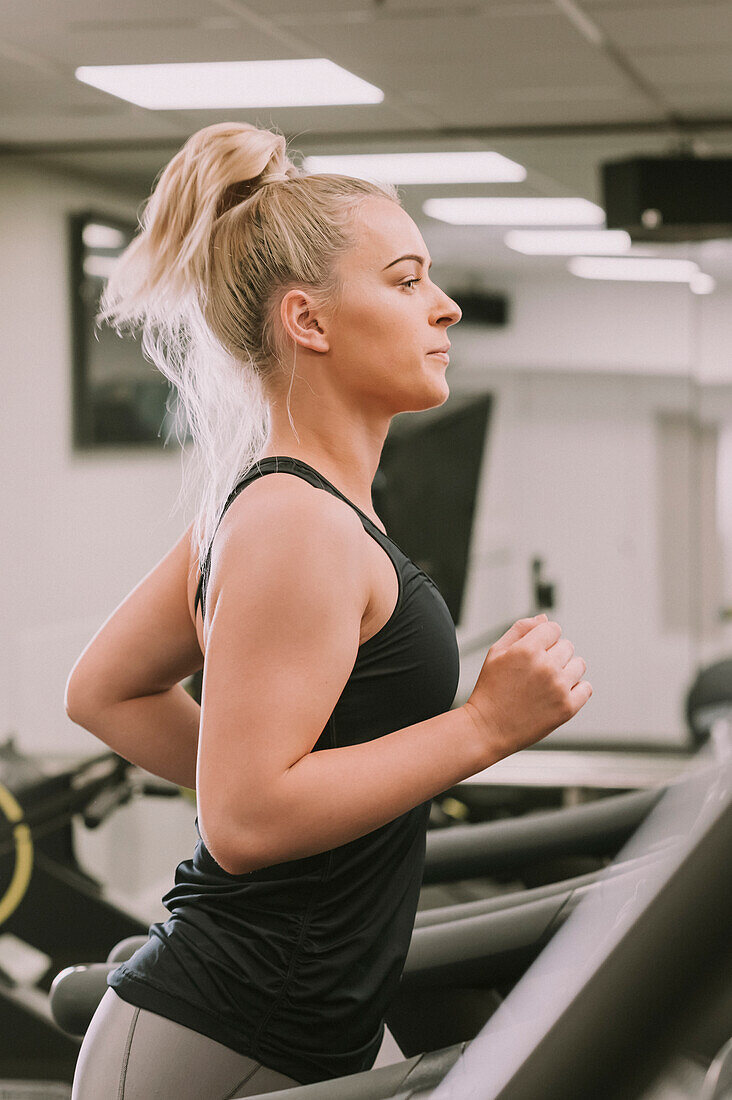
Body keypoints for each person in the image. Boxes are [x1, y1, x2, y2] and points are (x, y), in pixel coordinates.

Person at [65, 121, 592, 1098]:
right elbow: (245, 818)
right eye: (404, 281)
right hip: (222, 1032)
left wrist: (292, 783)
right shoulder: (295, 522)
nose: (443, 307)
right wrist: (482, 726)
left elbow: (106, 692)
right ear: (308, 321)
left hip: (295, 1021)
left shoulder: (287, 505)